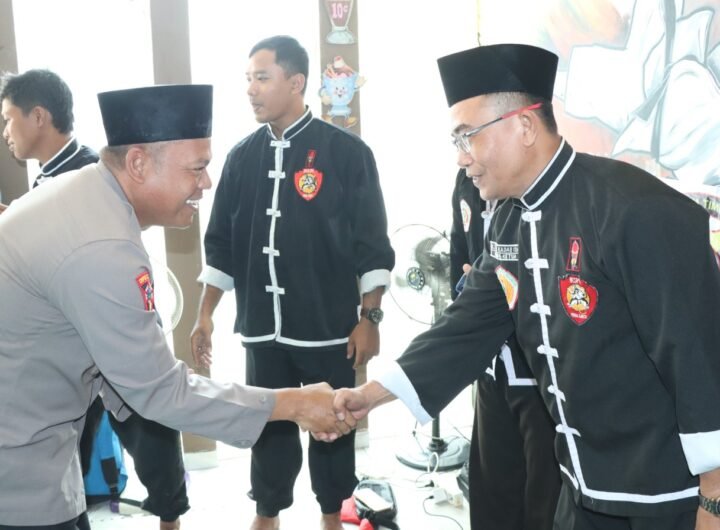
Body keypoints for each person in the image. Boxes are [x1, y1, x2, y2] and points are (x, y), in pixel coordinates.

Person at [327, 43, 720, 530]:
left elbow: (698, 356)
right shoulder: (510, 222)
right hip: (581, 490)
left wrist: (714, 498)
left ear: (525, 126)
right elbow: (465, 328)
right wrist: (371, 394)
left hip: (664, 499)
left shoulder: (633, 209)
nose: (461, 158)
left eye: (467, 136)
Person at [0, 83, 354, 530]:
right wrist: (293, 404)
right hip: (19, 469)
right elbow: (161, 391)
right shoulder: (101, 245)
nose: (206, 183)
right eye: (197, 168)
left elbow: (131, 379)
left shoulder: (87, 195)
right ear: (138, 163)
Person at [190, 35, 394, 530]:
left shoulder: (347, 153)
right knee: (269, 423)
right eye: (248, 79)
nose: (251, 90)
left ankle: (331, 514)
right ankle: (268, 513)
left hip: (328, 326)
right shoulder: (241, 158)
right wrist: (204, 315)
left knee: (335, 423)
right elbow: (220, 244)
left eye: (262, 78)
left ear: (296, 82)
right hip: (263, 326)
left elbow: (371, 244)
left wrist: (369, 318)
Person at [0, 68, 189, 530]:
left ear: (38, 116)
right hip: (68, 336)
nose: (5, 131)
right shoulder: (52, 178)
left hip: (106, 325)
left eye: (8, 119)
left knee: (148, 423)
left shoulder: (88, 176)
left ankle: (170, 515)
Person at [449, 166, 560, 530]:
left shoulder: (548, 189)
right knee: (491, 494)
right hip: (492, 368)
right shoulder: (466, 180)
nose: (464, 154)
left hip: (542, 377)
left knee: (544, 502)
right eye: (457, 141)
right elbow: (458, 252)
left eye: (469, 139)